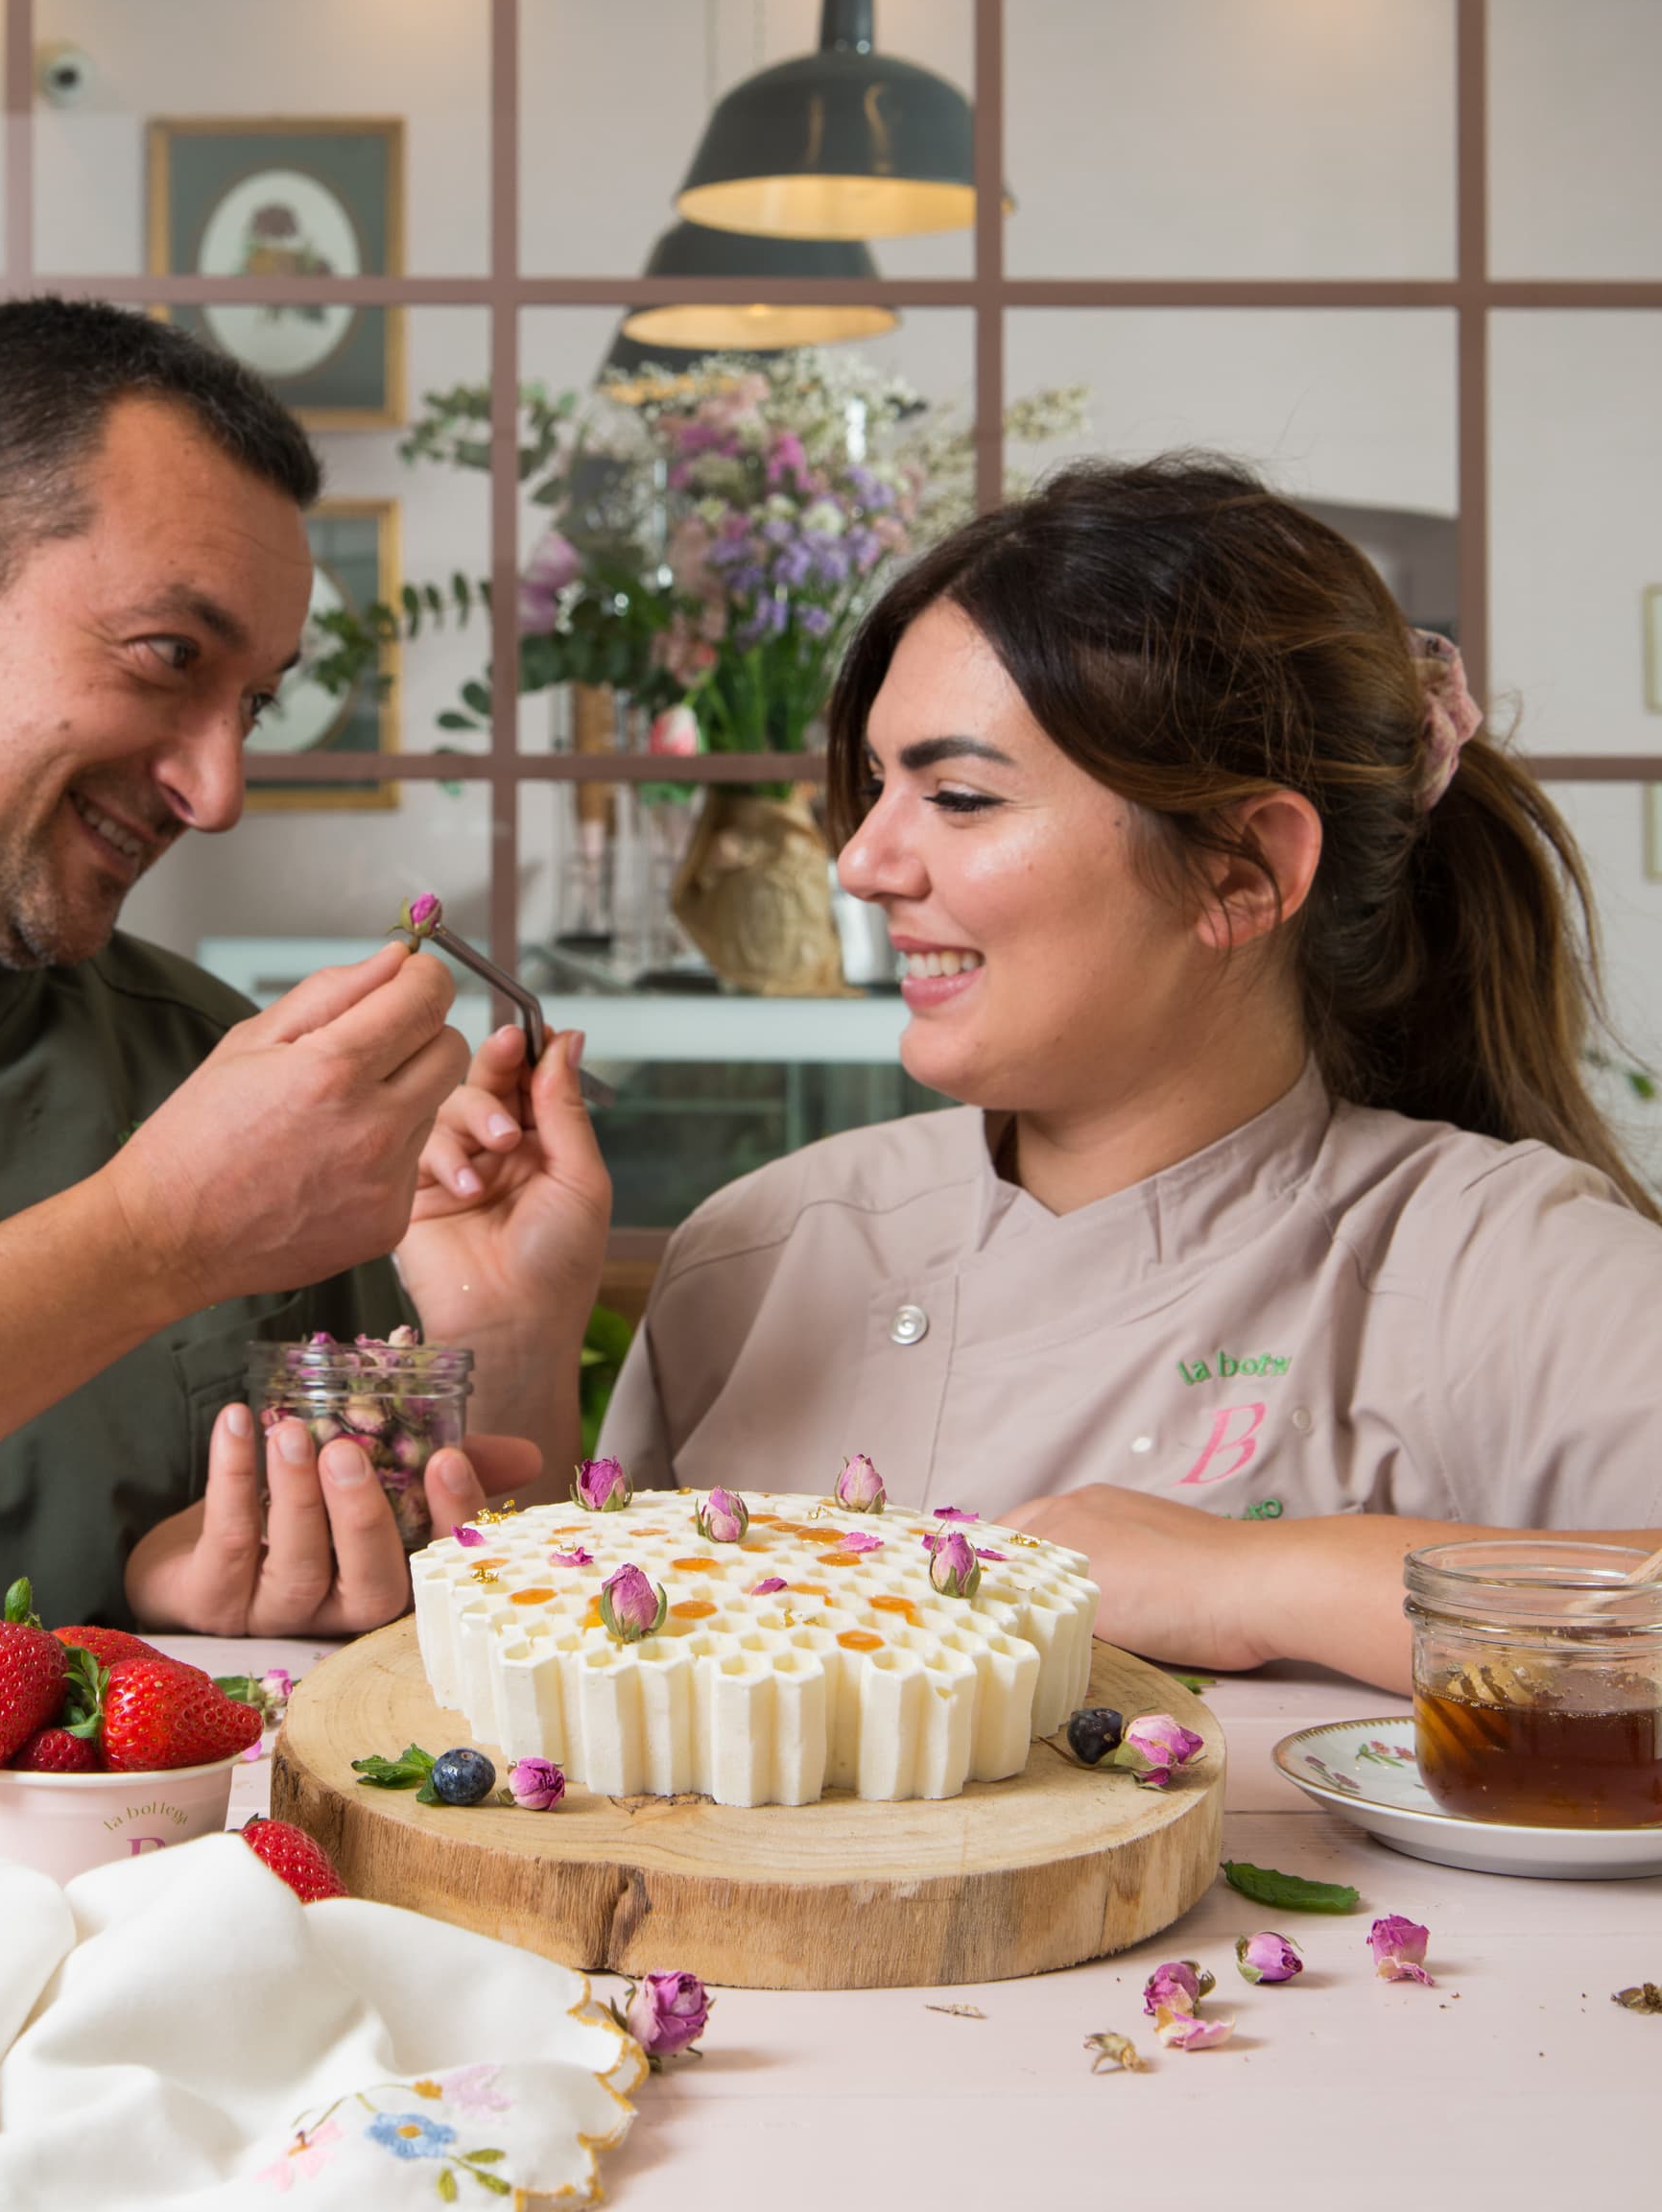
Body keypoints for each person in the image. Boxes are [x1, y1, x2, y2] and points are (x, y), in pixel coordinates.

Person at [422, 454, 1662, 1691]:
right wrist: (510, 1341)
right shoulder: (766, 1247)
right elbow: (586, 1716)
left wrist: (1257, 1578)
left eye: (958, 795)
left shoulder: (1494, 1262)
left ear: (1244, 867)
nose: (860, 861)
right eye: (874, 785)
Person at [0, 300, 607, 1639]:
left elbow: (436, 1666)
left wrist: (506, 1347)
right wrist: (151, 1234)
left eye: (251, 702)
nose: (219, 786)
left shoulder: (231, 1076)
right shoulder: (218, 1154)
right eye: (169, 656)